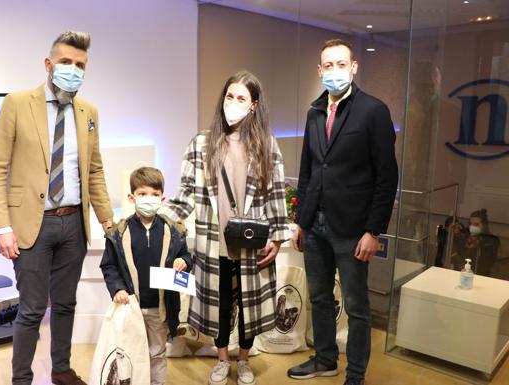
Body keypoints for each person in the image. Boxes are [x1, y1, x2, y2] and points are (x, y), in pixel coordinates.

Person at [0, 31, 114, 385]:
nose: (73, 70)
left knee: (66, 304)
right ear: (49, 64)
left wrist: (108, 221)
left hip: (73, 223)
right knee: (30, 309)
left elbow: (95, 169)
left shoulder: (89, 112)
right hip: (31, 224)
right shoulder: (16, 103)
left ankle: (60, 370)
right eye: (66, 62)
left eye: (80, 65)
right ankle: (22, 379)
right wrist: (2, 226)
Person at [159, 70, 289, 385]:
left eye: (241, 98)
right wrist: (159, 211)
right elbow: (187, 192)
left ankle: (243, 361)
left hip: (252, 240)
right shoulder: (202, 143)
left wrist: (278, 237)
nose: (233, 103)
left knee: (249, 306)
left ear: (254, 104)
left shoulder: (266, 145)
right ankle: (221, 360)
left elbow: (276, 194)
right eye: (229, 96)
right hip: (212, 240)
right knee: (220, 305)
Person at [287, 39, 398, 385]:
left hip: (353, 229)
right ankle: (325, 359)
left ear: (353, 67)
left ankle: (355, 374)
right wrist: (302, 222)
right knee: (319, 298)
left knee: (356, 307)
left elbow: (387, 177)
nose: (334, 71)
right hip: (316, 226)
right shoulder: (314, 112)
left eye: (341, 64)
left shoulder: (373, 111)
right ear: (320, 71)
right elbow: (309, 171)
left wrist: (373, 231)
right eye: (328, 66)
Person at [99, 166, 192, 385]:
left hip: (159, 307)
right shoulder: (118, 233)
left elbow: (186, 256)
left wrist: (184, 262)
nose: (148, 199)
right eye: (142, 194)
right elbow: (109, 265)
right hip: (131, 307)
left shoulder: (175, 230)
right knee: (131, 354)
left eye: (154, 194)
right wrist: (118, 288)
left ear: (163, 198)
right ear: (132, 197)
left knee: (157, 354)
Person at [452, 209, 500, 277]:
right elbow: (454, 252)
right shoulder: (465, 235)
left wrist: (478, 245)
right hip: (462, 275)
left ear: (484, 225)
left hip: (481, 277)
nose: (472, 227)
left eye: (476, 224)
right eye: (470, 224)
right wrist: (457, 236)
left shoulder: (492, 240)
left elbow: (488, 263)